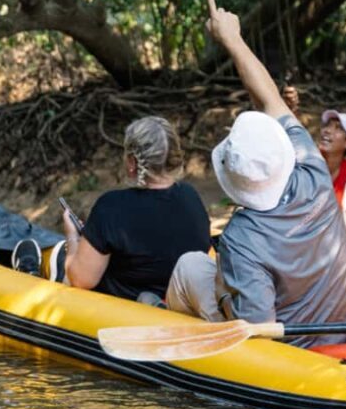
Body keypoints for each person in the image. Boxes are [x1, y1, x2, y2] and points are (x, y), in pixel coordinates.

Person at [165, 0, 346, 348]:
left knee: (191, 267)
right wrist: (233, 39)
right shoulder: (312, 173)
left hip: (297, 360)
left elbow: (257, 329)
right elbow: (271, 99)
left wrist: (224, 292)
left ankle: (168, 332)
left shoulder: (242, 235)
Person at [11, 116, 210, 302]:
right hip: (172, 301)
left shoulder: (112, 207)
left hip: (117, 308)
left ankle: (29, 274)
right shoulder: (191, 197)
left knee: (63, 259)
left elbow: (81, 280)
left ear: (133, 162)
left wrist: (72, 236)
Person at [282, 86, 346, 205]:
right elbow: (291, 137)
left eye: (338, 128)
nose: (327, 131)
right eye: (327, 125)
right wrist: (289, 109)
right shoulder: (306, 159)